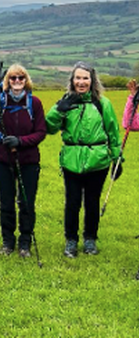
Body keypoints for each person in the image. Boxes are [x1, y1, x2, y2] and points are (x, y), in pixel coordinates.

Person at [46, 61, 121, 258]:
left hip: (98, 160)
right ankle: (71, 240)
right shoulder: (66, 102)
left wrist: (117, 158)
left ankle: (90, 240)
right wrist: (58, 110)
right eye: (78, 78)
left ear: (92, 80)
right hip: (71, 160)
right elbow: (50, 128)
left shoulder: (102, 104)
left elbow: (113, 132)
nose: (81, 82)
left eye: (85, 78)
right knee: (72, 202)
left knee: (92, 202)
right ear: (72, 80)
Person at [0, 63, 46, 258]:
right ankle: (8, 242)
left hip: (28, 160)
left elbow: (41, 132)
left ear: (26, 81)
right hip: (2, 159)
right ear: (7, 81)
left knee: (26, 202)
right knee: (6, 202)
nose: (17, 82)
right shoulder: (0, 100)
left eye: (21, 78)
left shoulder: (35, 103)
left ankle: (25, 243)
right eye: (13, 78)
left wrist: (21, 141)